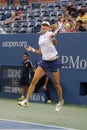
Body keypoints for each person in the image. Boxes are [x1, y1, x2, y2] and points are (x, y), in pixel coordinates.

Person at [18, 21, 64, 112]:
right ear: (41, 27)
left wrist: (53, 38)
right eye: (43, 25)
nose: (44, 26)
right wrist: (33, 50)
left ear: (48, 27)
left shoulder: (50, 33)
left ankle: (60, 101)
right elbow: (41, 52)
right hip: (44, 62)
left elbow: (55, 43)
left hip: (53, 62)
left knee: (57, 84)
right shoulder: (40, 38)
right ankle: (26, 100)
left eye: (46, 25)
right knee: (34, 80)